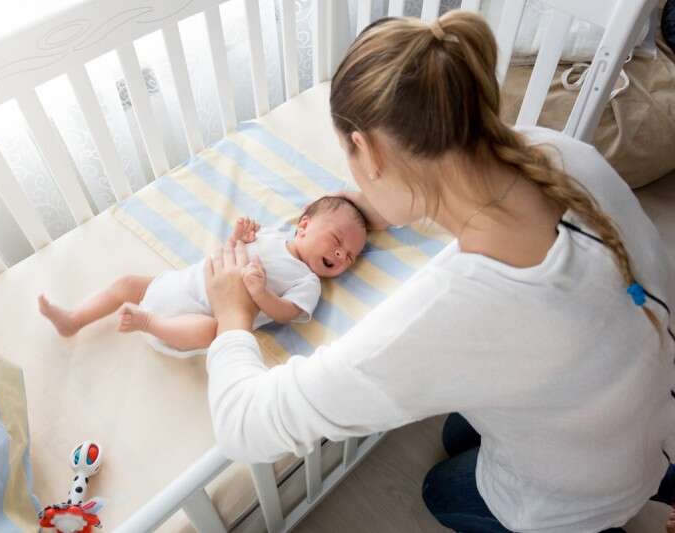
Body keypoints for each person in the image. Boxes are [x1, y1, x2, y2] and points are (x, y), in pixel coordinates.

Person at [202, 10, 675, 533]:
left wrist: (231, 314)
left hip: (585, 491)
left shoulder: (449, 314)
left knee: (439, 490)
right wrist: (363, 204)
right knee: (456, 431)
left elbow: (243, 426)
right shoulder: (557, 152)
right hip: (645, 405)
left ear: (366, 149)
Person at [38, 196, 367, 356]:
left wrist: (261, 293)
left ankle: (147, 322)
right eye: (337, 241)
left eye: (349, 257)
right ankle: (75, 319)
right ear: (305, 225)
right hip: (182, 283)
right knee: (127, 284)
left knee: (213, 332)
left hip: (194, 320)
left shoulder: (308, 282)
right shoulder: (273, 234)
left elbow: (287, 314)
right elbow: (228, 255)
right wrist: (237, 236)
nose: (341, 255)